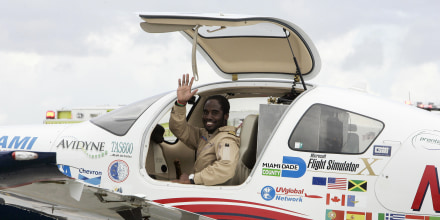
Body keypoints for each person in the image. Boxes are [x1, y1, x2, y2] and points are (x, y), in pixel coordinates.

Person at [169, 73, 240, 186]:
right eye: (206, 112)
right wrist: (181, 104)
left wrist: (192, 179)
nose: (208, 117)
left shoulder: (226, 140)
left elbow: (226, 167)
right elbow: (178, 129)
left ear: (225, 116)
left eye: (215, 113)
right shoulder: (204, 135)